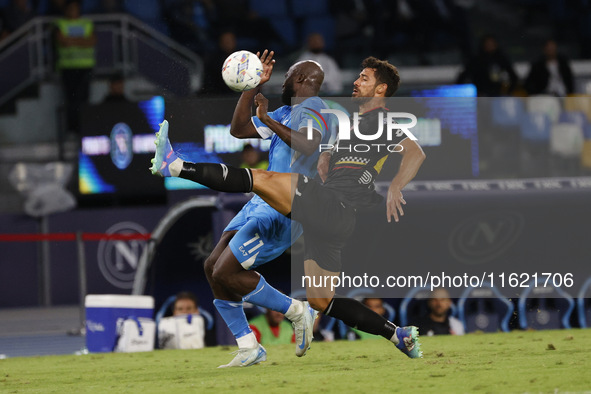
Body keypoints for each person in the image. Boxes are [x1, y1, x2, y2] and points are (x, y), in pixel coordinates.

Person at [151, 56, 427, 359]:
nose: (356, 82)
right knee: (322, 301)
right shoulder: (348, 123)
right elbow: (314, 152)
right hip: (333, 215)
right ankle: (398, 335)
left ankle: (176, 166)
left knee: (263, 178)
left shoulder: (382, 120)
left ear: (381, 88)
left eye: (364, 78)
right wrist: (325, 159)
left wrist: (397, 186)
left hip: (333, 205)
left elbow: (414, 153)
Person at [155, 50, 337, 367]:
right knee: (213, 267)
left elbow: (308, 143)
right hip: (260, 201)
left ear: (301, 79)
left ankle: (298, 311)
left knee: (227, 271)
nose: (281, 79)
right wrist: (251, 86)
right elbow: (238, 130)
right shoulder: (285, 112)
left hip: (283, 207)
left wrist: (266, 118)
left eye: (288, 73)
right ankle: (248, 345)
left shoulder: (316, 108)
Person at [54, 0, 96, 133]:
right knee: (71, 99)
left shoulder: (87, 23)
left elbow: (91, 41)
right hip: (68, 67)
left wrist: (72, 41)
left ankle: (86, 127)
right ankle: (73, 129)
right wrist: (81, 41)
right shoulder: (60, 24)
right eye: (70, 8)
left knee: (84, 98)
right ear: (66, 10)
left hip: (85, 66)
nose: (73, 11)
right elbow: (62, 41)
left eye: (75, 8)